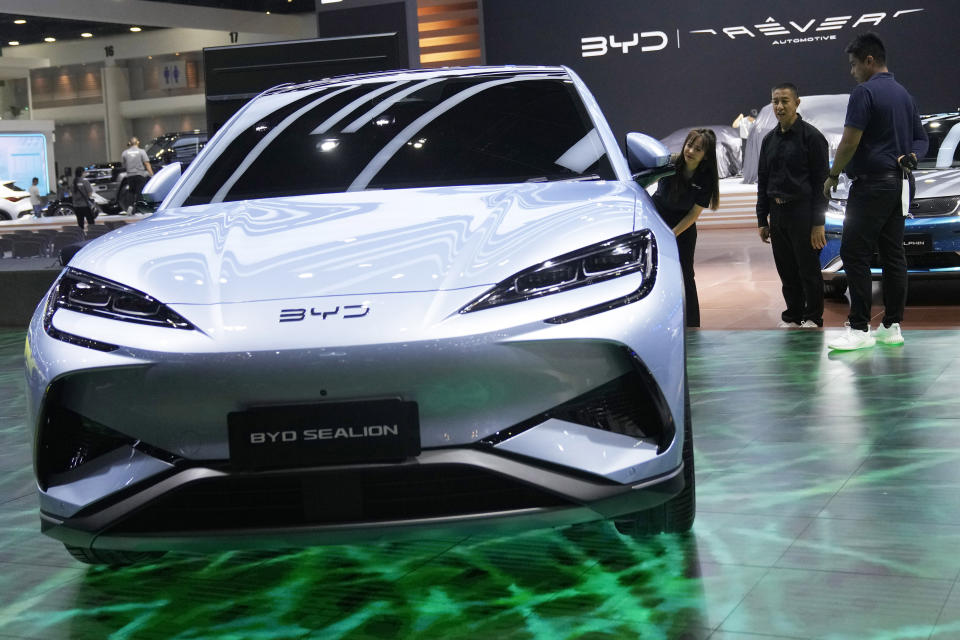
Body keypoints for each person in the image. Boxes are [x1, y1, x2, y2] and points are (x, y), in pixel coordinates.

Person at [823, 32, 928, 350]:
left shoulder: (863, 93)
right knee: (894, 254)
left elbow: (850, 141)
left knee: (854, 253)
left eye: (854, 65)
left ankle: (859, 329)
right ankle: (892, 326)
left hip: (870, 186)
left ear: (869, 61)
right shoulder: (904, 95)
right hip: (899, 186)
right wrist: (913, 158)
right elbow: (921, 140)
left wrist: (832, 175)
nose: (852, 71)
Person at [756, 82, 830, 329]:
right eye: (775, 101)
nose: (779, 106)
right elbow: (763, 181)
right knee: (786, 270)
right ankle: (793, 315)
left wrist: (818, 222)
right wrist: (761, 219)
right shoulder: (768, 140)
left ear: (797, 103)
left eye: (784, 101)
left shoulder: (813, 138)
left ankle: (813, 317)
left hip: (804, 213)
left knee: (808, 270)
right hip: (778, 214)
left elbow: (822, 184)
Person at [652, 128, 720, 328]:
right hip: (659, 219)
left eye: (697, 149)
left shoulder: (706, 178)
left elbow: (693, 215)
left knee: (686, 275)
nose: (690, 151)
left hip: (683, 226)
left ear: (706, 156)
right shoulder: (670, 162)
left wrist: (671, 235)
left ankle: (692, 326)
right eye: (689, 145)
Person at [119, 136, 153, 214]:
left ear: (130, 143)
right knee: (140, 191)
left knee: (131, 191)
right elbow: (147, 164)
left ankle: (130, 207)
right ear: (137, 142)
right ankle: (140, 208)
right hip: (140, 174)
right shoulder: (141, 152)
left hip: (130, 175)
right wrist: (151, 174)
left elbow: (123, 165)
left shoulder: (125, 153)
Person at [71, 167, 96, 234]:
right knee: (91, 222)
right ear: (82, 173)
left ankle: (81, 236)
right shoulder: (85, 181)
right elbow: (90, 193)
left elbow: (72, 194)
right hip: (85, 205)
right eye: (85, 172)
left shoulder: (73, 182)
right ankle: (92, 235)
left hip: (76, 206)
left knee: (80, 223)